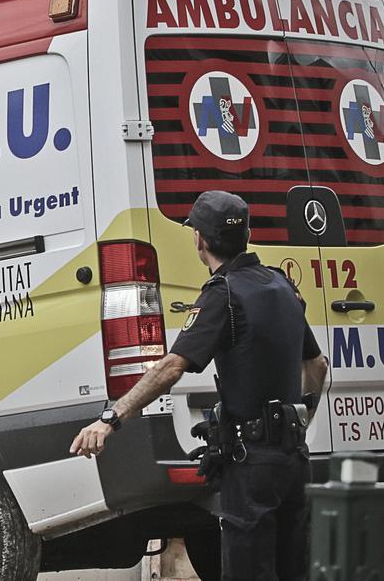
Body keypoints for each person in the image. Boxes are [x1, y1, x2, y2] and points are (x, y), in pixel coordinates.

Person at [70, 190, 329, 580]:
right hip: (293, 460)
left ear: (200, 240)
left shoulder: (223, 294)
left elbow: (172, 367)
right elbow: (317, 364)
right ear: (246, 234)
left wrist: (111, 418)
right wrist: (302, 415)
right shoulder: (280, 285)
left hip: (253, 463)